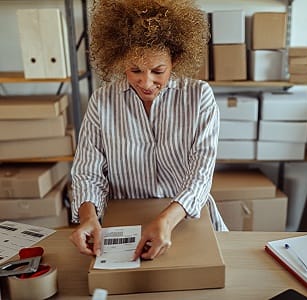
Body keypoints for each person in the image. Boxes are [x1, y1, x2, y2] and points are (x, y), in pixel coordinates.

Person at [69, 0, 228, 261]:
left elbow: (201, 174)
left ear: (175, 59)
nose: (146, 82)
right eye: (135, 70)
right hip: (125, 222)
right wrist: (87, 216)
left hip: (184, 218)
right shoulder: (102, 101)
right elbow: (88, 171)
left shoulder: (199, 97)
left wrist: (167, 219)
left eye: (158, 71)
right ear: (120, 59)